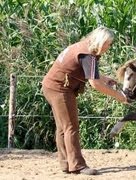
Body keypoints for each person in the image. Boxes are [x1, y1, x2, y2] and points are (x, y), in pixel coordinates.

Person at [42, 26, 127, 175]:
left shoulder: (84, 46)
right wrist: (118, 95)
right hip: (60, 88)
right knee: (71, 127)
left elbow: (91, 75)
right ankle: (78, 165)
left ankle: (66, 164)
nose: (109, 47)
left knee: (63, 127)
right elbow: (94, 84)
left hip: (52, 85)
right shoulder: (89, 55)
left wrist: (104, 78)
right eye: (108, 43)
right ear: (101, 41)